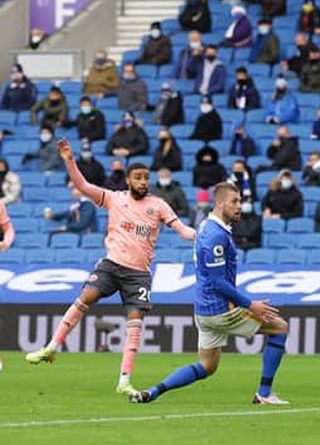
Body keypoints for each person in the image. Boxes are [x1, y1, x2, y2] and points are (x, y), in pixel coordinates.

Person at [26, 140, 196, 397]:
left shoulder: (159, 205)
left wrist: (202, 234)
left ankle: (124, 379)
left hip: (138, 274)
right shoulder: (114, 199)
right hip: (112, 264)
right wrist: (69, 159)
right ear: (128, 180)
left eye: (146, 178)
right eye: (138, 177)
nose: (143, 182)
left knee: (135, 323)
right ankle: (51, 347)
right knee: (86, 297)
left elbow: (182, 230)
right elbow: (83, 186)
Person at [128, 182, 288, 405]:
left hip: (203, 310)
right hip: (220, 309)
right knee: (280, 327)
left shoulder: (207, 227)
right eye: (234, 201)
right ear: (220, 203)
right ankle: (264, 394)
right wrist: (250, 304)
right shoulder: (215, 236)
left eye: (240, 201)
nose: (239, 206)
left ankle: (152, 392)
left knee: (207, 366)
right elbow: (216, 281)